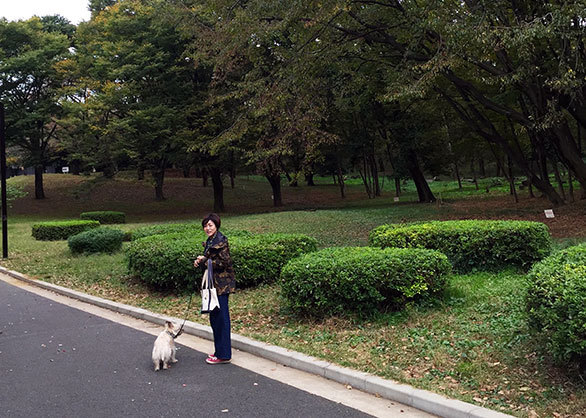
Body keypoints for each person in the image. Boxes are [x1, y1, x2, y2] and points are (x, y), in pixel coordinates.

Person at [194, 213, 235, 364]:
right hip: (213, 285)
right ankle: (219, 351)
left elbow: (224, 263)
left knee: (221, 319)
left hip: (221, 286)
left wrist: (205, 261)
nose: (207, 228)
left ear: (216, 225)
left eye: (210, 225)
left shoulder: (221, 241)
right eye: (205, 225)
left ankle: (224, 355)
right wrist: (201, 261)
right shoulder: (211, 240)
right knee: (215, 318)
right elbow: (210, 260)